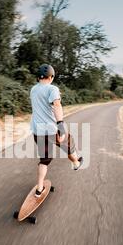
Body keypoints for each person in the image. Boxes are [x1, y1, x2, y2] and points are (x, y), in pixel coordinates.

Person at [30, 64, 83, 198]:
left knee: (44, 159)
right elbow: (57, 105)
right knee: (68, 144)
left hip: (37, 130)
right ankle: (76, 163)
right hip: (52, 129)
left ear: (38, 77)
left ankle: (39, 189)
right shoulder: (53, 89)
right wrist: (61, 126)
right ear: (51, 77)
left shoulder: (33, 89)